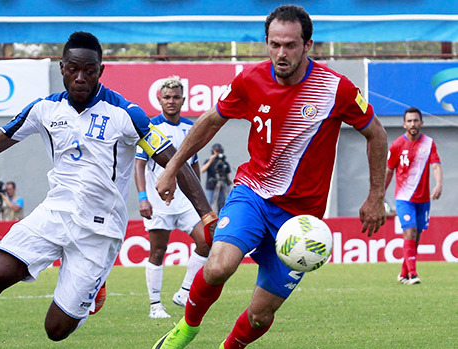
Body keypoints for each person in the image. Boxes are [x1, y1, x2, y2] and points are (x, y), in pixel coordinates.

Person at [0, 31, 217, 348]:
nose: (80, 78)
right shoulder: (43, 109)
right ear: (62, 68)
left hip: (99, 232)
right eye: (73, 69)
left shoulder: (127, 114)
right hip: (54, 214)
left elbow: (176, 161)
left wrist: (205, 214)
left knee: (55, 331)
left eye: (89, 71)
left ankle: (92, 294)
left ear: (101, 70)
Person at [151, 5, 388, 349]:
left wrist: (375, 196)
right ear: (266, 42)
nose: (281, 53)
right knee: (218, 266)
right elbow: (210, 122)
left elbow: (376, 134)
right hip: (254, 194)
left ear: (308, 46)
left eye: (290, 45)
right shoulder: (250, 79)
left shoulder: (335, 88)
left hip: (301, 220)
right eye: (274, 44)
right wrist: (171, 168)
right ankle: (186, 329)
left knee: (261, 314)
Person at [135, 76, 210, 319]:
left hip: (186, 201)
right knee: (158, 250)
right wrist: (142, 197)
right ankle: (155, 305)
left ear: (183, 100)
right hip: (158, 201)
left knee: (207, 241)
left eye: (176, 97)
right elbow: (139, 165)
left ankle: (185, 292)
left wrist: (201, 200)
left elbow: (194, 165)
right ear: (159, 99)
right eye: (167, 97)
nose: (171, 101)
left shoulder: (191, 128)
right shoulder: (150, 128)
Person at [385, 106, 442, 285]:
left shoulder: (429, 143)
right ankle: (413, 275)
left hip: (423, 199)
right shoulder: (396, 146)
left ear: (421, 123)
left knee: (415, 239)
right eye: (409, 121)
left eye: (416, 120)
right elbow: (388, 171)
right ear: (404, 124)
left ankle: (403, 273)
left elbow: (435, 165)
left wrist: (438, 184)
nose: (413, 124)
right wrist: (379, 194)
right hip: (403, 197)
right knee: (409, 232)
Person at [201, 143, 232, 213]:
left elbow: (227, 176)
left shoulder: (224, 163)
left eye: (219, 152)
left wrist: (228, 183)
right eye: (216, 152)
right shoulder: (209, 161)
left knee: (222, 204)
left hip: (222, 188)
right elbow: (202, 170)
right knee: (209, 203)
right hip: (211, 187)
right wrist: (211, 160)